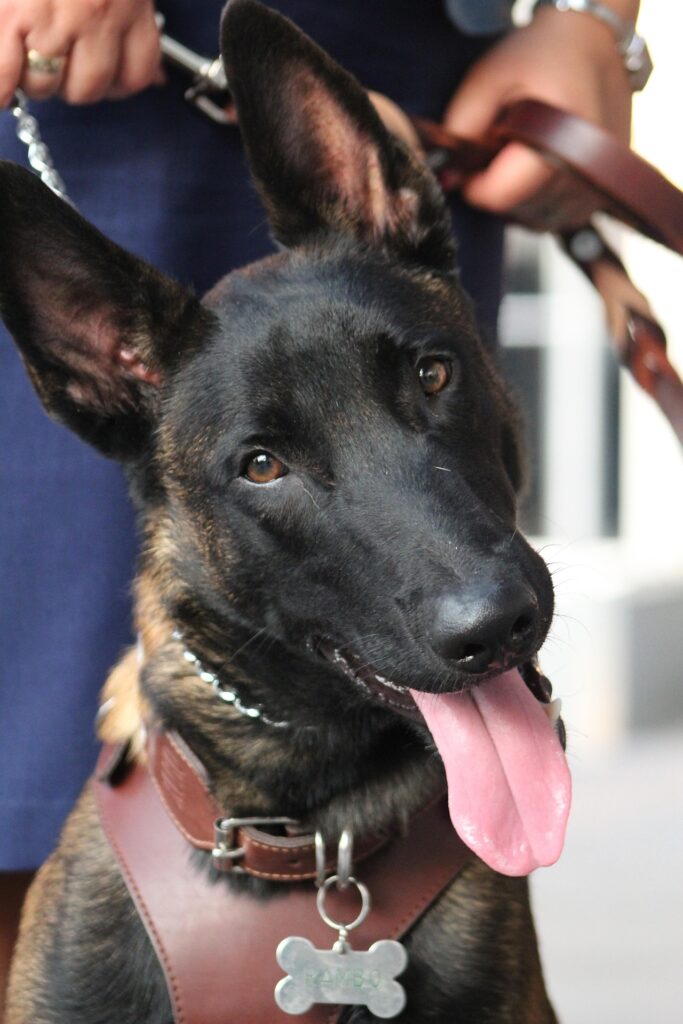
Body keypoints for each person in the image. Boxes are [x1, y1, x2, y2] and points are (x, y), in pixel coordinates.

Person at [0, 0, 639, 1007]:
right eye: (264, 463)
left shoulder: (383, 245)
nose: (474, 594)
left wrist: (595, 18)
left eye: (429, 379)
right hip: (73, 91)